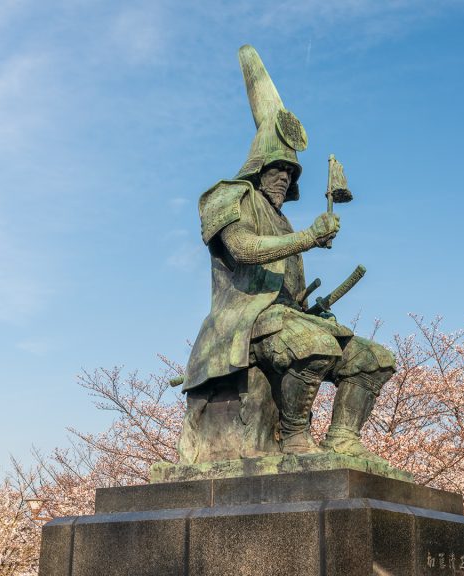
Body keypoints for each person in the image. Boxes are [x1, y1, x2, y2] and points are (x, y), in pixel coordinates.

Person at [183, 45, 394, 462]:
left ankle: (343, 440)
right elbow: (243, 249)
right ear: (258, 167)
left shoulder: (284, 222)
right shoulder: (227, 196)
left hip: (286, 317)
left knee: (373, 358)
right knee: (315, 346)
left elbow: (288, 289)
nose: (285, 177)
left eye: (291, 172)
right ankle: (295, 437)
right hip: (241, 324)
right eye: (278, 169)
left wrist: (310, 307)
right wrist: (310, 239)